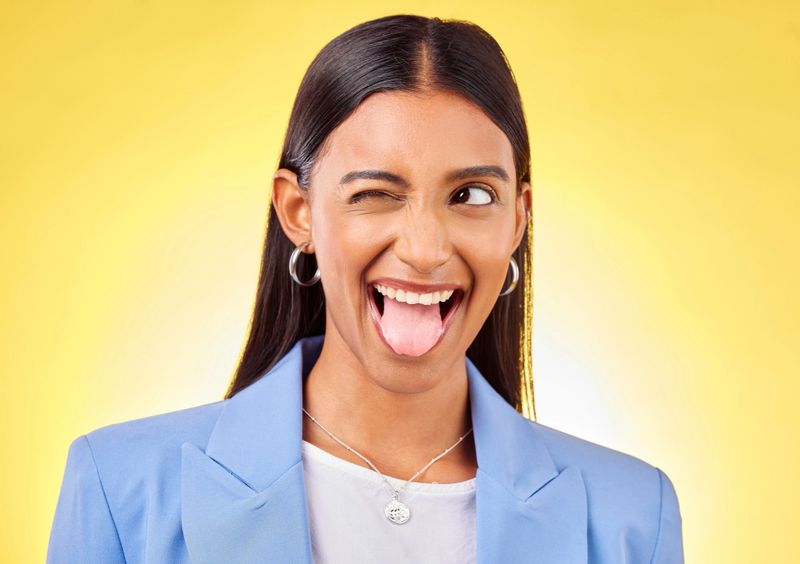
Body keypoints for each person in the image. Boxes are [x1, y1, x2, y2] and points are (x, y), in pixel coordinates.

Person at [46, 14, 684, 564]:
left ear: (517, 219)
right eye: (375, 194)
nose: (426, 249)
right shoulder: (120, 490)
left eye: (471, 196)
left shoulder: (633, 518)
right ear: (298, 212)